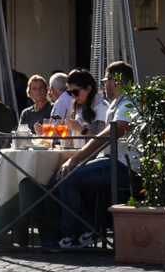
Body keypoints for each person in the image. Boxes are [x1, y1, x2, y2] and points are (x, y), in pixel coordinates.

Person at [54, 61, 137, 250]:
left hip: (126, 165)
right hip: (113, 161)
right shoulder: (119, 102)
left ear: (115, 81)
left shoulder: (129, 103)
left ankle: (70, 234)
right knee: (60, 177)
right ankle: (87, 230)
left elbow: (110, 134)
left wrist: (75, 158)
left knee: (66, 177)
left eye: (106, 80)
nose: (103, 85)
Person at [63, 69, 107, 137]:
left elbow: (104, 142)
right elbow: (75, 143)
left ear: (88, 89)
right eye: (70, 92)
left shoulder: (102, 108)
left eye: (75, 92)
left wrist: (81, 129)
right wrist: (65, 131)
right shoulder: (79, 107)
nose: (73, 96)